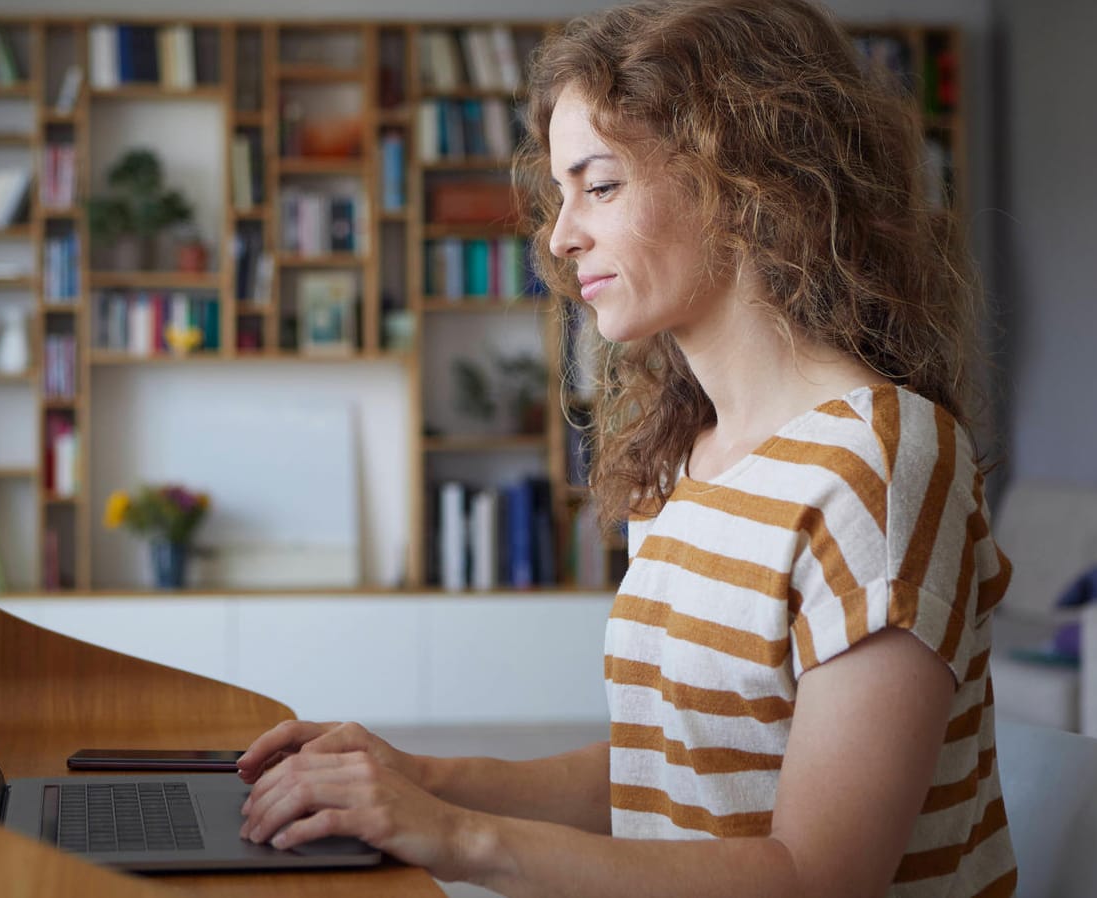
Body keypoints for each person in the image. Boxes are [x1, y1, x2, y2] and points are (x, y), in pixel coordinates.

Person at [237, 0, 1018, 894]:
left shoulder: (878, 461)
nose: (561, 237)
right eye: (561, 196)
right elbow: (666, 774)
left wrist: (458, 838)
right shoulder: (687, 457)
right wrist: (416, 778)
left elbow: (818, 877)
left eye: (599, 185)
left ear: (747, 179)